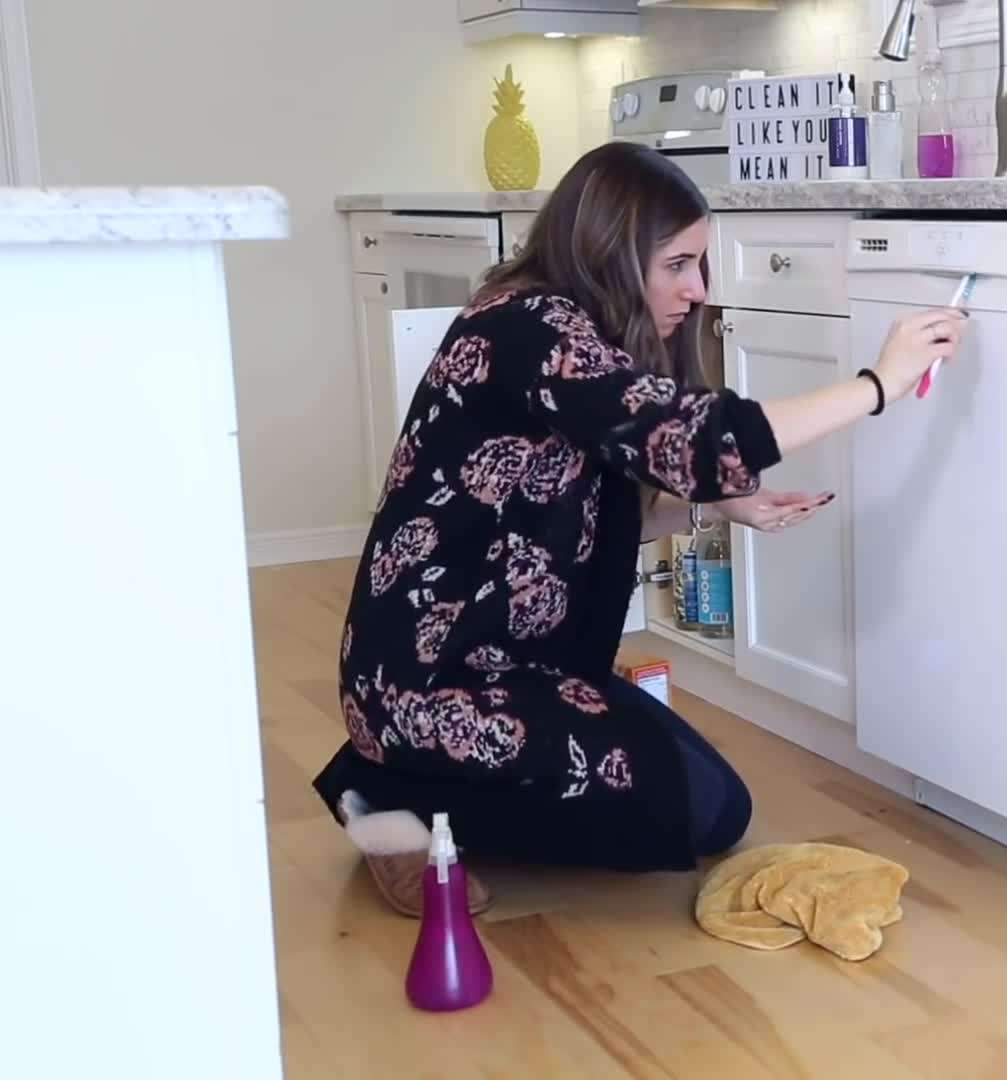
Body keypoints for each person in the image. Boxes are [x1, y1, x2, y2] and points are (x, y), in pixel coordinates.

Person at [311, 142, 966, 910]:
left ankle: (402, 780)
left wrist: (715, 505)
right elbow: (697, 437)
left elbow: (580, 518)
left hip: (508, 669)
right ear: (612, 254)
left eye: (701, 264)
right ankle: (387, 806)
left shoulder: (560, 325)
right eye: (678, 265)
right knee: (696, 810)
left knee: (715, 806)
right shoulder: (531, 330)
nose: (698, 290)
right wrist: (877, 384)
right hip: (434, 681)